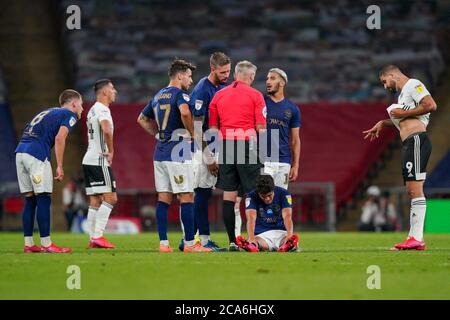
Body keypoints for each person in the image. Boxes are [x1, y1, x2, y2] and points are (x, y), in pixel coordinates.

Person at [137, 58, 212, 253]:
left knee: (164, 198)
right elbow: (186, 113)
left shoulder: (157, 96)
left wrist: (157, 135)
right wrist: (192, 133)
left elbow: (142, 119)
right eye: (188, 76)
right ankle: (189, 244)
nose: (191, 80)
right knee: (186, 196)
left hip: (160, 154)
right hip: (178, 152)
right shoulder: (181, 95)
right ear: (179, 76)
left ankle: (163, 244)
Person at [363, 65, 437, 250]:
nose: (385, 86)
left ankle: (416, 238)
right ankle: (414, 238)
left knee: (415, 190)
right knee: (412, 190)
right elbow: (406, 119)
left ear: (392, 75)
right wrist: (384, 122)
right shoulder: (403, 95)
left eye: (384, 81)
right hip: (409, 143)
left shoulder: (413, 84)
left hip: (417, 141)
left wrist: (402, 113)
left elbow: (431, 105)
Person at [15, 89, 83, 253]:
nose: (81, 109)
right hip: (36, 155)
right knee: (44, 198)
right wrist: (59, 165)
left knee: (30, 200)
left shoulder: (47, 112)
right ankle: (46, 244)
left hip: (20, 152)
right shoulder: (69, 115)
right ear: (74, 104)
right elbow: (60, 138)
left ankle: (29, 243)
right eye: (81, 105)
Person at [209, 60, 267, 251]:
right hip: (247, 144)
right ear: (250, 76)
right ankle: (253, 240)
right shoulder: (256, 95)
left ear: (235, 75)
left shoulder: (218, 95)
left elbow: (213, 128)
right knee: (254, 193)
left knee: (229, 195)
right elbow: (261, 128)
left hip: (225, 145)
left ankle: (233, 241)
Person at [178, 52, 231, 251]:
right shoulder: (202, 89)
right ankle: (195, 240)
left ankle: (204, 238)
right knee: (199, 192)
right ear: (212, 69)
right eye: (223, 72)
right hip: (201, 148)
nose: (227, 75)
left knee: (205, 193)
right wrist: (208, 156)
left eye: (228, 71)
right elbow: (197, 126)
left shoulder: (223, 87)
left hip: (214, 145)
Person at [82, 79, 118, 249]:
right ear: (104, 92)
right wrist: (111, 151)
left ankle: (92, 239)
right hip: (99, 159)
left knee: (95, 200)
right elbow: (106, 129)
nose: (115, 91)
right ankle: (98, 236)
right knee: (111, 197)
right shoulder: (103, 109)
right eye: (112, 89)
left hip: (88, 158)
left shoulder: (92, 110)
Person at [235, 174, 299, 252]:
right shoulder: (251, 196)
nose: (267, 199)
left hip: (281, 233)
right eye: (263, 196)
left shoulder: (284, 194)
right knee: (255, 241)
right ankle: (252, 245)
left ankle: (288, 244)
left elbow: (287, 217)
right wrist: (251, 238)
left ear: (273, 189)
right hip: (262, 235)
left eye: (269, 195)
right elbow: (251, 219)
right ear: (258, 192)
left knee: (289, 240)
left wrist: (289, 235)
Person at [263, 68, 301, 189]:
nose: (268, 81)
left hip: (284, 161)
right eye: (267, 79)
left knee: (278, 202)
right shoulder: (260, 103)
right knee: (264, 200)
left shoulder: (293, 109)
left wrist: (296, 165)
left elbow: (295, 140)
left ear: (282, 83)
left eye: (272, 78)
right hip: (263, 161)